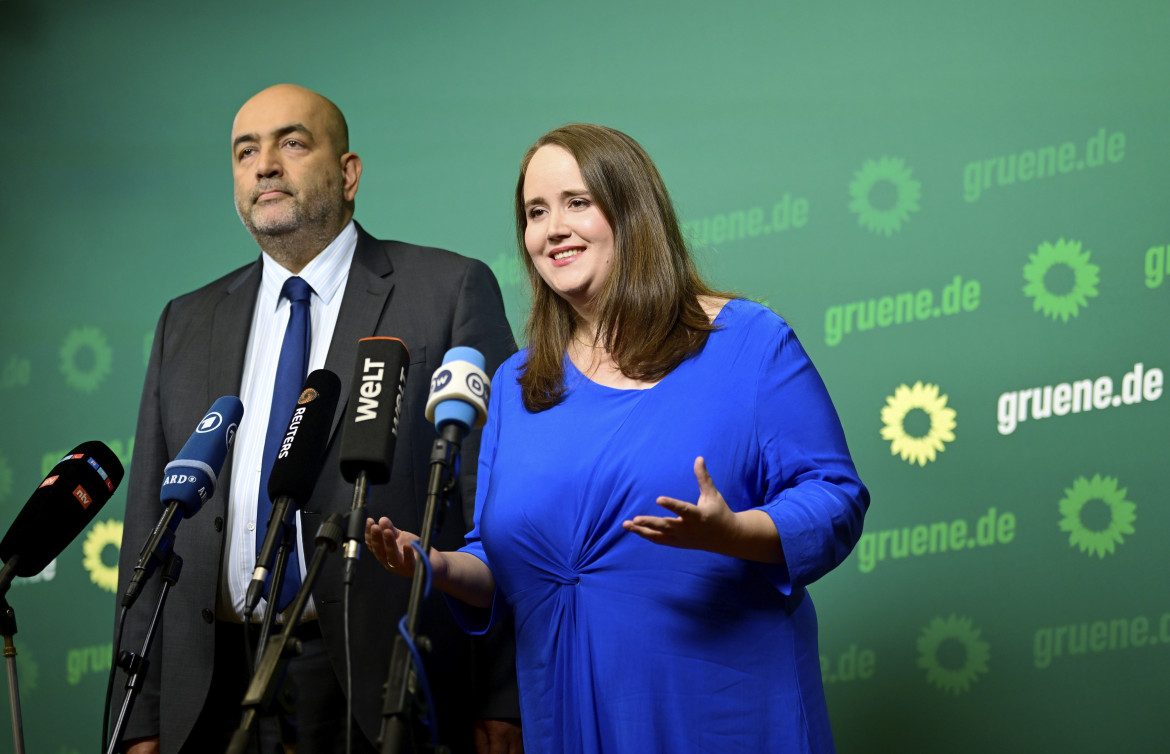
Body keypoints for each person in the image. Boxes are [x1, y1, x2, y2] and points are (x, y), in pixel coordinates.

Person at [366, 123, 870, 752]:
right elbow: (503, 556)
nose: (552, 229)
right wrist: (437, 566)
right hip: (566, 710)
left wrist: (736, 532)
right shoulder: (518, 384)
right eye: (535, 212)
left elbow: (834, 495)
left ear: (633, 211)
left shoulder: (748, 341)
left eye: (577, 202)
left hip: (720, 709)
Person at [112, 84, 522, 754]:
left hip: (379, 682)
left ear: (348, 172)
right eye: (246, 152)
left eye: (292, 143)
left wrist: (503, 695)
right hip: (215, 685)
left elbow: (497, 507)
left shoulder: (446, 291)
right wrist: (144, 716)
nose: (265, 165)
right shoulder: (184, 321)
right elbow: (147, 532)